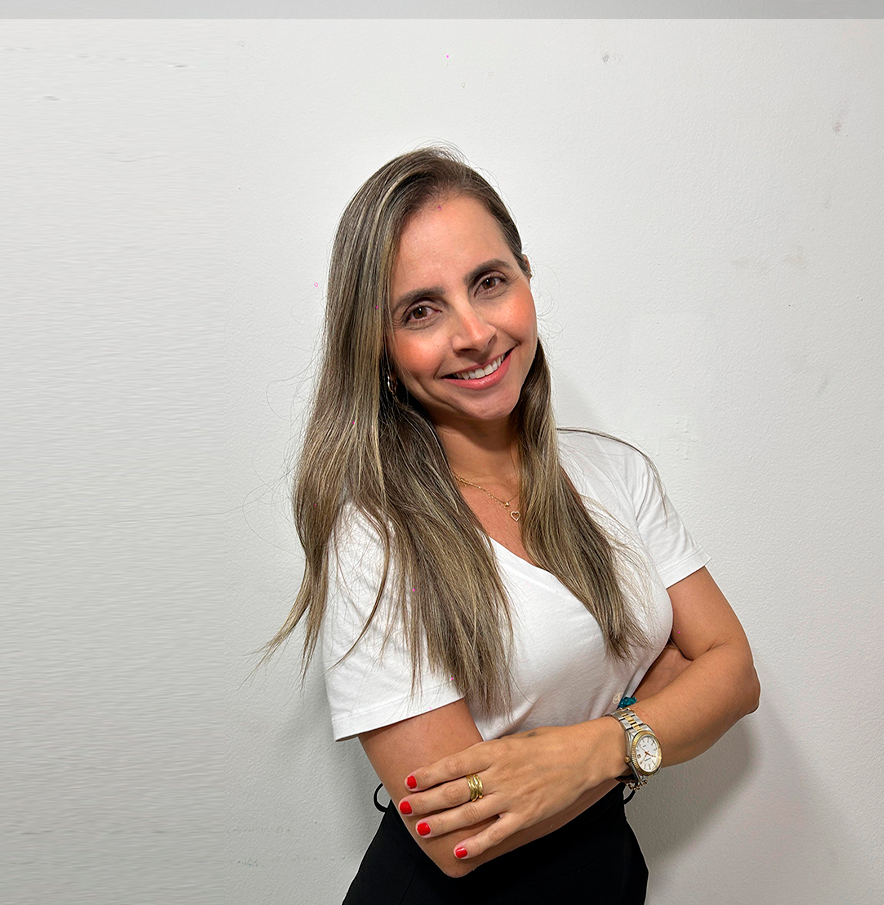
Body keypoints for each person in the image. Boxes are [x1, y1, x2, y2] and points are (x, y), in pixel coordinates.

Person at [262, 147, 760, 903]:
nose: (474, 332)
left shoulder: (617, 474)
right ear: (380, 349)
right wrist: (657, 706)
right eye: (421, 310)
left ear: (526, 279)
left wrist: (593, 749)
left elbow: (734, 673)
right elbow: (460, 837)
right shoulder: (375, 536)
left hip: (606, 876)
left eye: (489, 282)